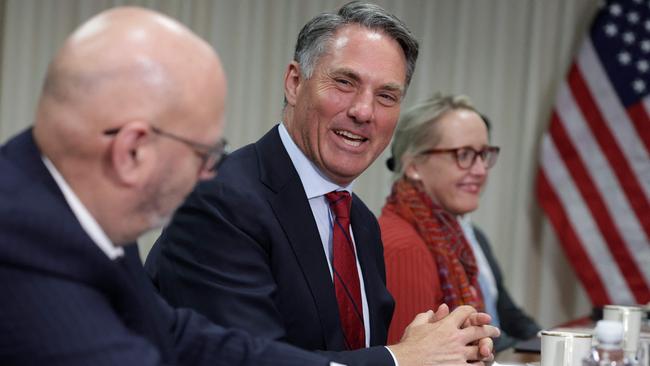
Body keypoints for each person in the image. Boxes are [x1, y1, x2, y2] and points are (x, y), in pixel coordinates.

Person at [145, 2, 499, 365]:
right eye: (345, 83)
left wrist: (440, 353)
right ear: (295, 83)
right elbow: (243, 359)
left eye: (386, 96)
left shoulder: (359, 221)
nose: (364, 111)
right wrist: (400, 359)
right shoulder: (219, 199)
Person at [0, 6, 345, 366]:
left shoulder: (80, 210)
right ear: (132, 151)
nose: (209, 173)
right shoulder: (20, 254)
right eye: (205, 153)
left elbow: (173, 332)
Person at [379, 93, 541, 351]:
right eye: (463, 154)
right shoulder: (405, 247)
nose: (480, 170)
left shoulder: (450, 237)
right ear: (413, 166)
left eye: (483, 154)